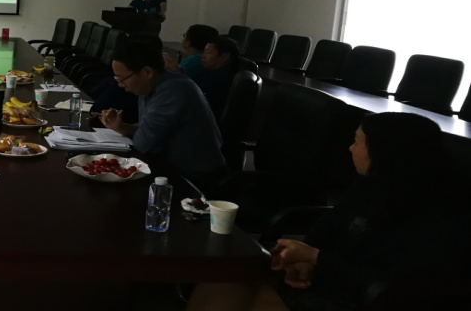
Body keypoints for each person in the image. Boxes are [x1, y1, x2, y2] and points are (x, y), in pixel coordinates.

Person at [186, 112, 468, 311]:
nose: (350, 148)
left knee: (249, 301)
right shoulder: (369, 185)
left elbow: (394, 288)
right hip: (329, 278)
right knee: (225, 279)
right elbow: (328, 228)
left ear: (384, 154)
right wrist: (304, 261)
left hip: (365, 299)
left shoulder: (438, 219)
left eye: (357, 142)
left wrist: (317, 259)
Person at [98, 35, 228, 194]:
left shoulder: (173, 91)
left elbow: (143, 144)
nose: (120, 85)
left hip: (196, 181)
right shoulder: (151, 85)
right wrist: (121, 127)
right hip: (169, 169)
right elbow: (147, 130)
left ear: (147, 72)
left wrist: (136, 132)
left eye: (122, 79)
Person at [192, 36, 240, 117]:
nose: (203, 56)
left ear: (225, 57)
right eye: (204, 52)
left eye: (208, 53)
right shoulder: (210, 72)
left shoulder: (220, 79)